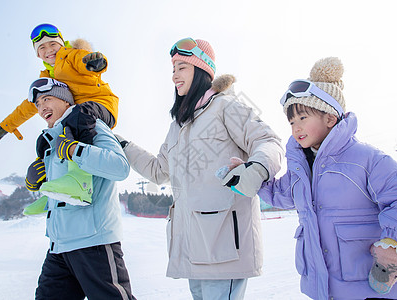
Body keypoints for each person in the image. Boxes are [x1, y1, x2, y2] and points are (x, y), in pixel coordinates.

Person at [115, 38, 284, 299]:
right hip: (193, 247)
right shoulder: (178, 126)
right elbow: (159, 170)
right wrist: (123, 145)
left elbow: (268, 141)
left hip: (224, 247)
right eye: (172, 69)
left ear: (202, 69)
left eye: (181, 67)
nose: (174, 76)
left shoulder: (227, 106)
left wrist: (257, 169)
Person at [251, 57, 397, 299]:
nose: (295, 127)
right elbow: (280, 194)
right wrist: (250, 176)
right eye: (291, 121)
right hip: (326, 288)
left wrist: (391, 246)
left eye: (303, 118)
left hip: (370, 285)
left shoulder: (365, 158)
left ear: (330, 118)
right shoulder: (301, 168)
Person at [0, 23, 120, 207]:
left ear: (61, 44)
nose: (49, 50)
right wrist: (5, 126)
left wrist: (96, 62)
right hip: (74, 115)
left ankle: (80, 180)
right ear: (38, 54)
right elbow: (28, 106)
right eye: (42, 48)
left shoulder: (71, 56)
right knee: (47, 139)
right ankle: (50, 193)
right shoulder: (48, 77)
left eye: (53, 45)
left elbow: (85, 60)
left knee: (79, 115)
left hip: (101, 106)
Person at [25, 77, 136, 299]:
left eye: (47, 98)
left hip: (94, 243)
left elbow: (120, 167)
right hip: (58, 247)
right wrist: (33, 182)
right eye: (37, 104)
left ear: (66, 100)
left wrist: (76, 150)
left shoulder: (90, 124)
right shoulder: (50, 140)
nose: (42, 108)